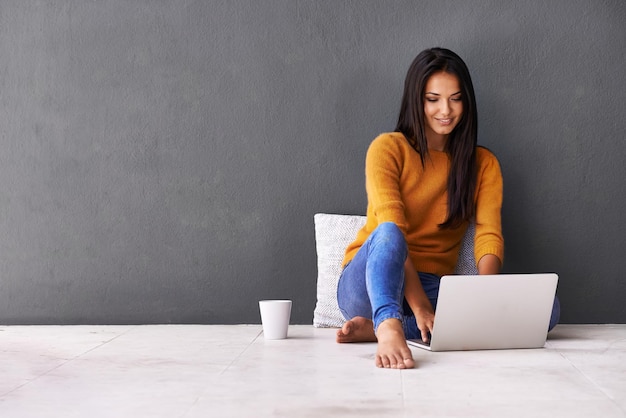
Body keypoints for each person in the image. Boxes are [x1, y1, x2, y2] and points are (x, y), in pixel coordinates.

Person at [335, 47, 560, 369]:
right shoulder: (387, 148)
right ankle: (387, 326)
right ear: (417, 100)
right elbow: (392, 230)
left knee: (546, 309)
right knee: (388, 232)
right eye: (433, 99)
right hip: (371, 280)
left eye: (455, 98)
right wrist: (422, 306)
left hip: (431, 283)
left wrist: (485, 297)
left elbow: (488, 234)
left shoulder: (482, 164)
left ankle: (381, 328)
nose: (446, 110)